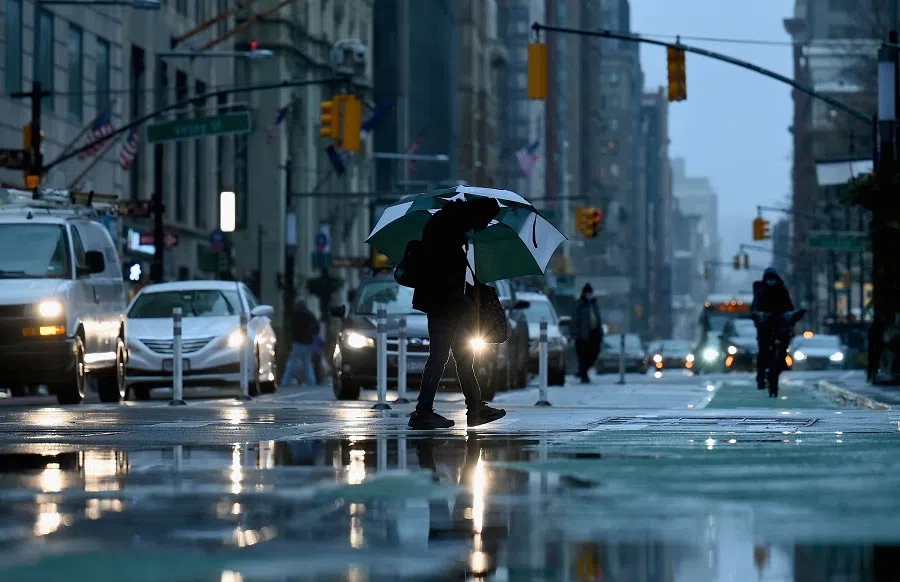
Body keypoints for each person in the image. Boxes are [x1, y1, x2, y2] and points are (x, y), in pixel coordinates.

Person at [408, 198, 507, 430]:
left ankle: (475, 409)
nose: (485, 225)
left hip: (450, 303)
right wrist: (465, 302)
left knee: (463, 357)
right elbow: (443, 273)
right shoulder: (449, 228)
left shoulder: (451, 224)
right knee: (439, 356)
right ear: (480, 214)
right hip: (444, 304)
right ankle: (423, 412)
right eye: (488, 220)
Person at [751, 268, 795, 390]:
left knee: (783, 352)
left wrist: (789, 316)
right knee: (763, 352)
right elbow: (754, 308)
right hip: (764, 327)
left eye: (773, 279)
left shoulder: (782, 290)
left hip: (780, 327)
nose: (771, 282)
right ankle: (760, 378)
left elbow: (790, 307)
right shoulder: (759, 291)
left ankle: (777, 369)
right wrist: (759, 316)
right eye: (769, 279)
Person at [281, 299, 320, 388]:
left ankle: (286, 381)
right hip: (309, 341)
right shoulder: (310, 314)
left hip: (298, 341)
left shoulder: (296, 315)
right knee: (307, 362)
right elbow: (317, 327)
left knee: (293, 361)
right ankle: (311, 381)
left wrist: (293, 338)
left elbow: (292, 328)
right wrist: (312, 336)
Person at [572, 283, 603, 383]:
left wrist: (600, 331)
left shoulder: (594, 303)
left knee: (594, 354)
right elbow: (575, 320)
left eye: (590, 293)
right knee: (583, 356)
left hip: (595, 332)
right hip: (583, 334)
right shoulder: (580, 304)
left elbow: (598, 319)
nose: (589, 295)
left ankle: (582, 371)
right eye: (588, 293)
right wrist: (575, 333)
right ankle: (583, 375)